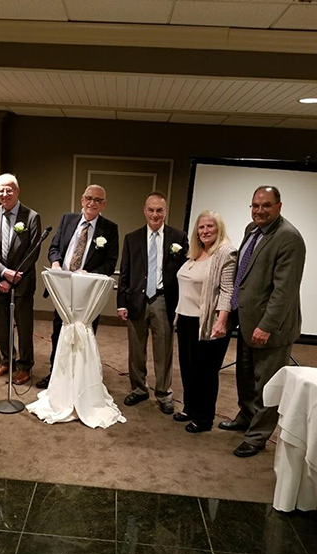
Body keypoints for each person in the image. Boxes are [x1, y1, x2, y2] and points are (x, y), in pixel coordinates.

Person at [219, 186, 306, 457]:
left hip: (270, 328)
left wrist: (266, 326)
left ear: (278, 206)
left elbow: (285, 290)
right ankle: (246, 417)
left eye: (266, 205)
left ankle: (258, 436)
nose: (259, 210)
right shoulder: (252, 229)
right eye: (255, 205)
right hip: (246, 322)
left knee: (267, 385)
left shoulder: (289, 238)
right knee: (245, 378)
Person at [36, 184, 119, 389]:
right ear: (82, 199)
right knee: (59, 332)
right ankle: (55, 375)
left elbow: (110, 263)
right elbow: (54, 247)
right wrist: (55, 263)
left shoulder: (109, 229)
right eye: (89, 198)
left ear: (104, 205)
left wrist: (89, 274)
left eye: (98, 200)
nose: (92, 203)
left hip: (88, 292)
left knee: (84, 335)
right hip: (63, 288)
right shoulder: (67, 219)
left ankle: (80, 379)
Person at [117, 191, 188, 413]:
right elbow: (125, 273)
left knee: (163, 349)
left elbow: (185, 272)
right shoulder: (132, 238)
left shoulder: (179, 237)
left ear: (165, 211)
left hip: (163, 299)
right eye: (151, 210)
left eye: (159, 210)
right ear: (144, 211)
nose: (155, 214)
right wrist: (121, 303)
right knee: (136, 349)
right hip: (137, 300)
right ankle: (139, 389)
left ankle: (164, 393)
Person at [174, 211, 236, 432]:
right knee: (188, 368)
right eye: (201, 227)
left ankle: (204, 418)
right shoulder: (195, 252)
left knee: (205, 373)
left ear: (219, 228)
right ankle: (190, 408)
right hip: (186, 320)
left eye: (210, 226)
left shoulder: (225, 253)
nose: (205, 231)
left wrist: (221, 322)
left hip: (209, 323)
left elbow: (228, 291)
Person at [0, 173, 41, 385]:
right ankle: (7, 361)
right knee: (1, 324)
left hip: (22, 282)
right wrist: (3, 273)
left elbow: (33, 252)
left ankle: (25, 366)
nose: (4, 194)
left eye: (9, 189)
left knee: (24, 327)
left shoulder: (32, 217)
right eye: (1, 190)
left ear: (17, 191)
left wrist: (12, 277)